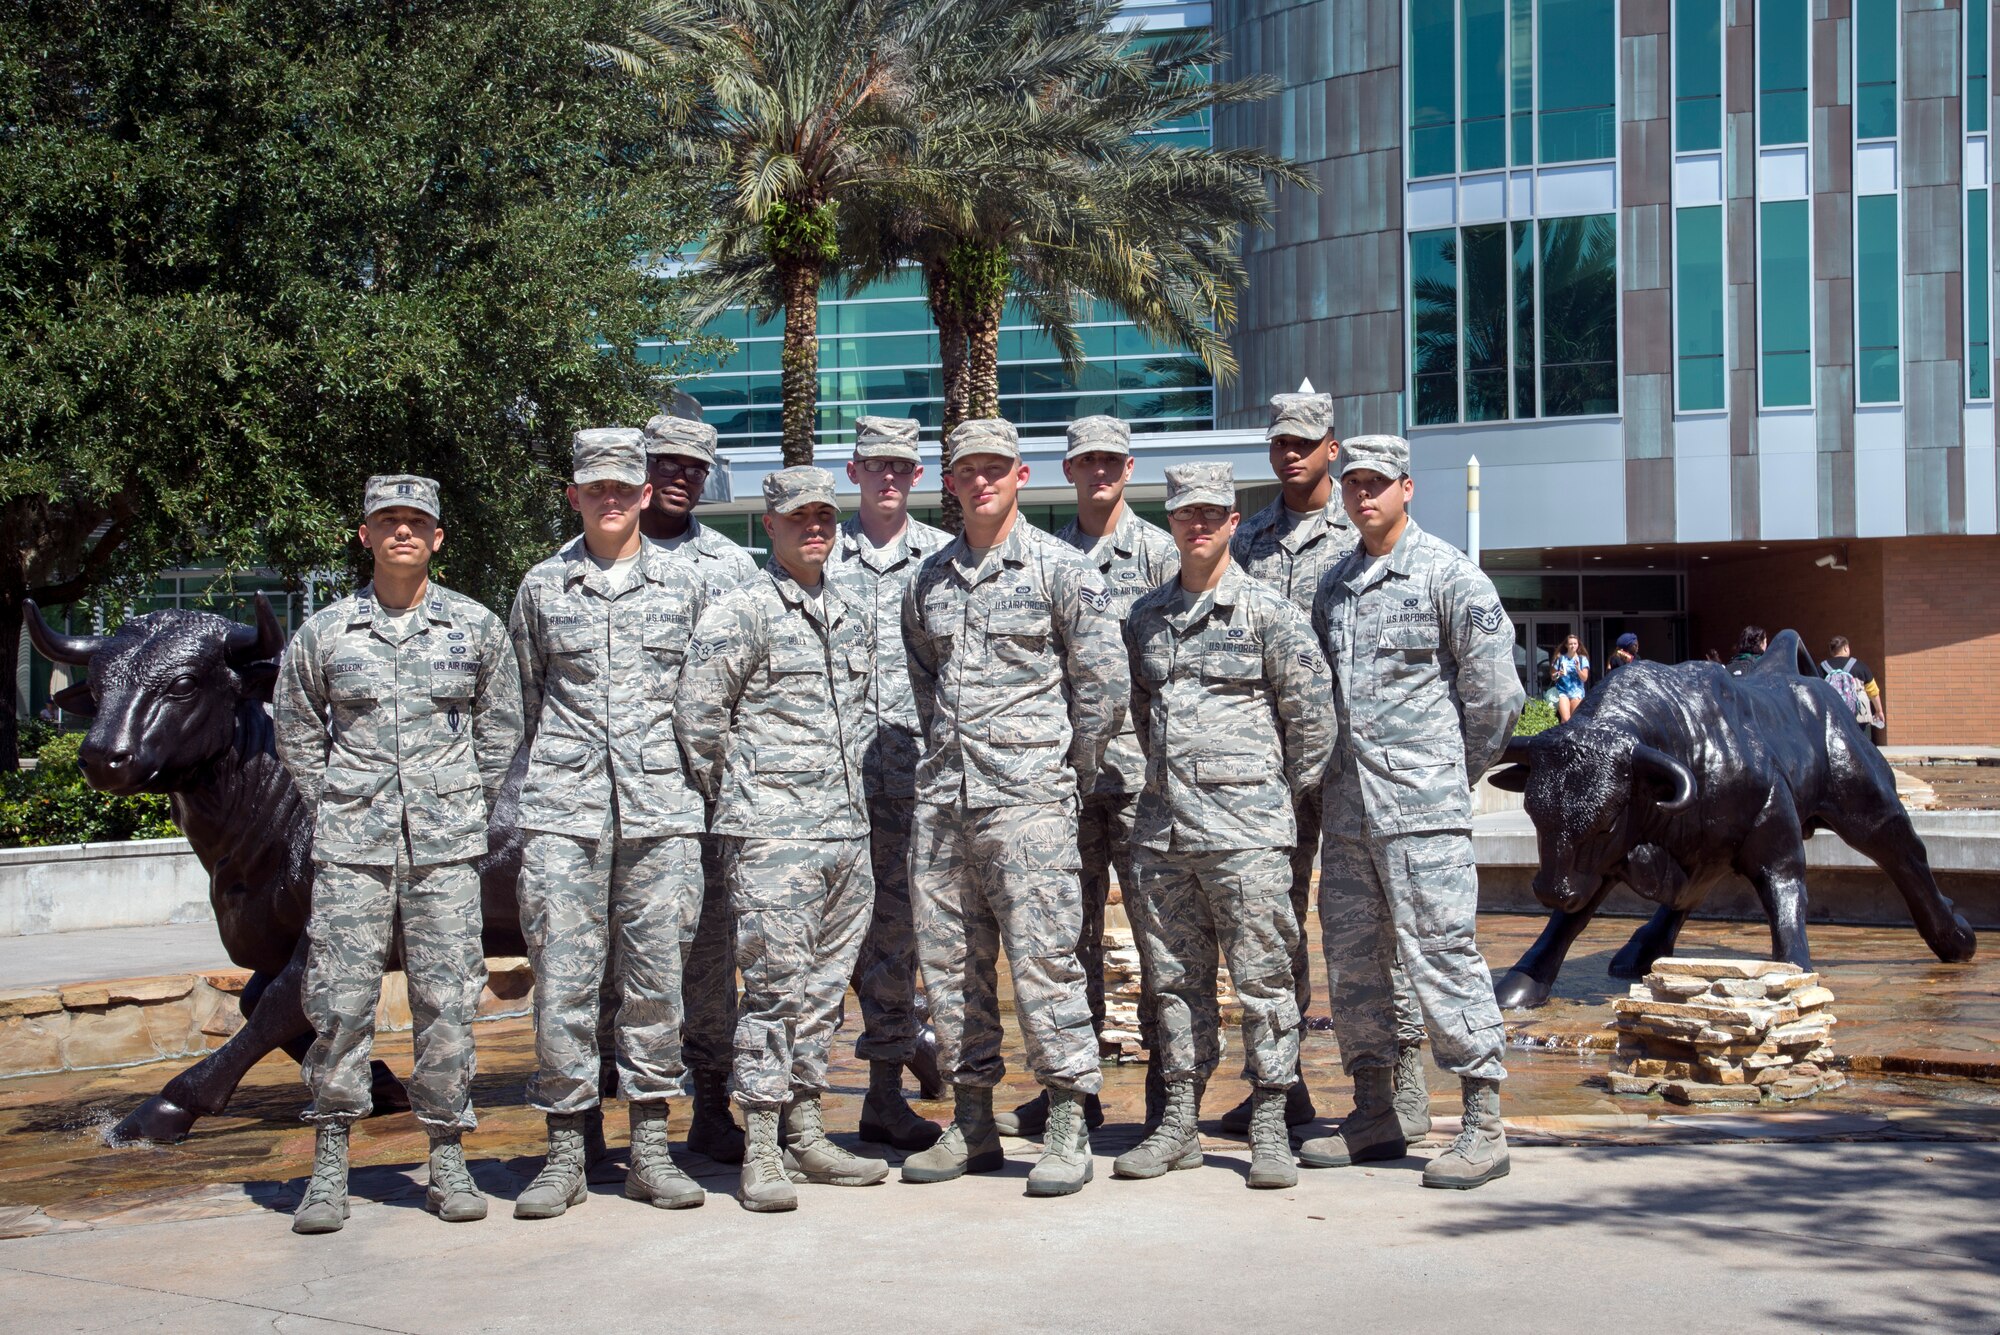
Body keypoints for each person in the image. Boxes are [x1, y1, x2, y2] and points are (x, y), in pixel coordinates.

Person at [275, 475, 523, 1234]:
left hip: (444, 853)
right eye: (389, 520)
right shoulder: (324, 633)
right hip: (354, 851)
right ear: (365, 535)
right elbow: (296, 730)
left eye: (417, 521)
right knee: (339, 1005)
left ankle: (447, 1155)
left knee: (448, 1002)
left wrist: (457, 805)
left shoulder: (476, 628)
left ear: (438, 537)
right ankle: (330, 1162)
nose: (403, 533)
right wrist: (342, 803)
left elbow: (500, 728)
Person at [897, 417, 1127, 1198]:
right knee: (952, 967)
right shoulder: (927, 579)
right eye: (969, 470)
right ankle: (970, 1120)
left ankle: (1066, 1115)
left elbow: (1102, 686)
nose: (983, 481)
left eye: (997, 468)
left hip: (1029, 802)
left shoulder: (1062, 570)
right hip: (944, 804)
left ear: (1022, 476)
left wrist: (1065, 770)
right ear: (951, 481)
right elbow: (926, 679)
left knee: (1046, 963)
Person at [1303, 433, 1525, 1191]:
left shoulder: (1451, 578)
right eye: (1353, 483)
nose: (1362, 495)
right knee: (1357, 966)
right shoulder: (1333, 584)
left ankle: (1482, 1122)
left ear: (1406, 488)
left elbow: (1497, 698)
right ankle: (1377, 1111)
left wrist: (1445, 774)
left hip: (1423, 813)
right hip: (1350, 813)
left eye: (1376, 483)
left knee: (1442, 955)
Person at [506, 428, 712, 1218]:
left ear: (644, 490)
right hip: (566, 817)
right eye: (597, 487)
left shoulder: (686, 587)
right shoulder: (541, 587)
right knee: (562, 983)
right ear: (575, 496)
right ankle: (566, 1151)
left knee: (657, 984)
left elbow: (709, 700)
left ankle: (650, 1151)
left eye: (625, 485)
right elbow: (517, 703)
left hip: (662, 813)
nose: (613, 497)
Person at [1112, 462, 1332, 1191]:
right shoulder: (1144, 616)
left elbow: (1312, 725)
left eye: (1212, 513)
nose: (1198, 525)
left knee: (1265, 978)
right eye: (1185, 514)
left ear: (1235, 521)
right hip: (1164, 835)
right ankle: (1179, 1119)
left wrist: (1265, 799)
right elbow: (1142, 717)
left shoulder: (1270, 614)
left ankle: (1270, 1116)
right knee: (1173, 983)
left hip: (1249, 835)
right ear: (1170, 521)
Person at [676, 466, 888, 1212]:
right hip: (774, 835)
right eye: (800, 517)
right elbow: (700, 722)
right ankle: (760, 1142)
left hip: (845, 832)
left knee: (825, 994)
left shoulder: (855, 610)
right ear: (770, 525)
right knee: (771, 989)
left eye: (826, 515)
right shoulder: (741, 612)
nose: (816, 528)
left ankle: (805, 1129)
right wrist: (750, 798)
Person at [1228, 389, 1431, 1142]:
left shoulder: (1367, 525)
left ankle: (1399, 1079)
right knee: (1270, 926)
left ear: (1332, 447)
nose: (1291, 454)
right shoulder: (1246, 540)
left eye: (1305, 442)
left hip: (1353, 767)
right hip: (1268, 769)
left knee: (1370, 925)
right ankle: (1280, 1085)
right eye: (1281, 442)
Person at [996, 414, 1178, 1139]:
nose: (1098, 472)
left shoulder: (1163, 554)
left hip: (1140, 780)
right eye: (1085, 462)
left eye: (1110, 461)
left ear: (1128, 468)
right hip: (1064, 782)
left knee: (1162, 936)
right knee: (1064, 942)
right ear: (1066, 471)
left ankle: (1173, 1093)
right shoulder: (1044, 555)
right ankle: (1072, 1088)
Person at [825, 416, 951, 1151]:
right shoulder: (816, 552)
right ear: (854, 470)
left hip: (912, 788)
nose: (889, 478)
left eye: (902, 466)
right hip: (828, 788)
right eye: (876, 465)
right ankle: (795, 1106)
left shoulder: (941, 559)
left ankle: (883, 1096)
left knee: (898, 944)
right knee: (819, 948)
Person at [640, 412, 760, 1164]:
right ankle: (598, 1119)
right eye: (668, 463)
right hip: (621, 801)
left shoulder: (732, 567)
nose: (682, 476)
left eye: (694, 466)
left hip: (711, 801)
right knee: (621, 965)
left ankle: (712, 1106)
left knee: (712, 959)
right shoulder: (584, 561)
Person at [1821, 636, 1885, 733]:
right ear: (1846, 648)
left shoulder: (1822, 668)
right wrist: (1879, 711)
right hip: (1858, 716)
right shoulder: (1860, 666)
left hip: (1832, 714)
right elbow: (1873, 691)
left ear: (1832, 651)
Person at [1551, 633, 1590, 722]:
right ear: (1566, 645)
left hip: (1577, 693)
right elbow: (1553, 677)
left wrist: (1578, 669)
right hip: (1562, 691)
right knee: (1565, 718)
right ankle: (1561, 735)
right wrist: (1559, 674)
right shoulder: (1560, 658)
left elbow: (1584, 678)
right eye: (1570, 644)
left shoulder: (1582, 659)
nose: (1573, 646)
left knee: (1574, 720)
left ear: (1578, 645)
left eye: (1575, 643)